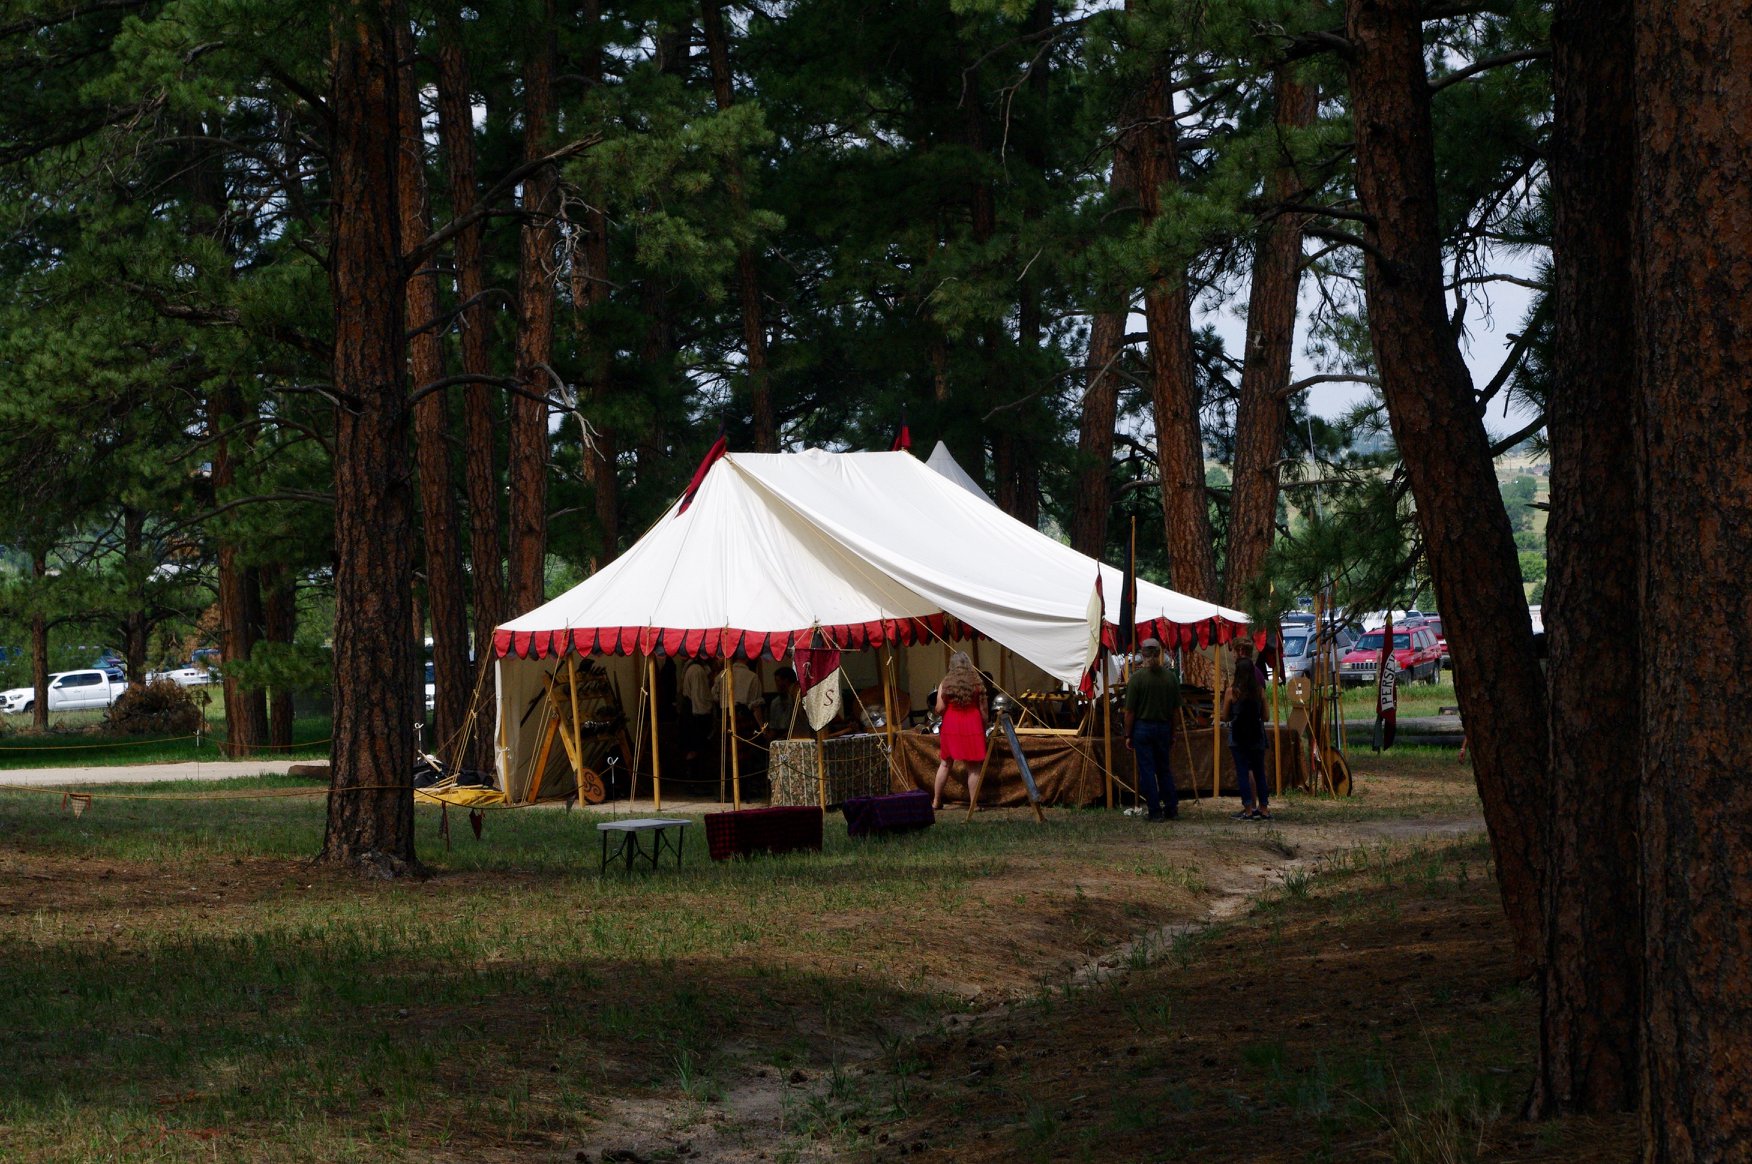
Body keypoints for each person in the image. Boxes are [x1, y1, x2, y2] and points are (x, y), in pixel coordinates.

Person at [1123, 637, 1182, 821]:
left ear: (1143, 655)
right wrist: (1173, 732)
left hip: (1143, 728)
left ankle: (1155, 811)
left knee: (1147, 771)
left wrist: (1128, 734)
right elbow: (1175, 711)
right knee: (1163, 769)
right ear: (1159, 654)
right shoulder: (1170, 678)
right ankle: (1171, 808)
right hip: (1164, 728)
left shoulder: (1136, 679)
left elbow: (1130, 712)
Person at [932, 651, 989, 811]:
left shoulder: (945, 683)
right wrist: (984, 727)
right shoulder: (978, 683)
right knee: (973, 767)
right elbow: (984, 712)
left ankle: (936, 801)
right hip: (973, 725)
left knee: (945, 764)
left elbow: (939, 708)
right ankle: (973, 804)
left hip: (951, 725)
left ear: (952, 666)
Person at [1225, 660, 1271, 820]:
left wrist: (1233, 713)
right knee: (1259, 772)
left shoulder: (1232, 692)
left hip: (1238, 735)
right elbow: (1266, 716)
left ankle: (1248, 809)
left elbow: (1225, 715)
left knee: (1243, 772)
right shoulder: (1259, 691)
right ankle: (1264, 808)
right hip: (1256, 734)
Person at [764, 666, 802, 740]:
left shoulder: (797, 698)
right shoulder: (775, 702)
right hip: (780, 736)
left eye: (778, 681)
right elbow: (773, 729)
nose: (777, 685)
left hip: (797, 734)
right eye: (776, 681)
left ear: (786, 681)